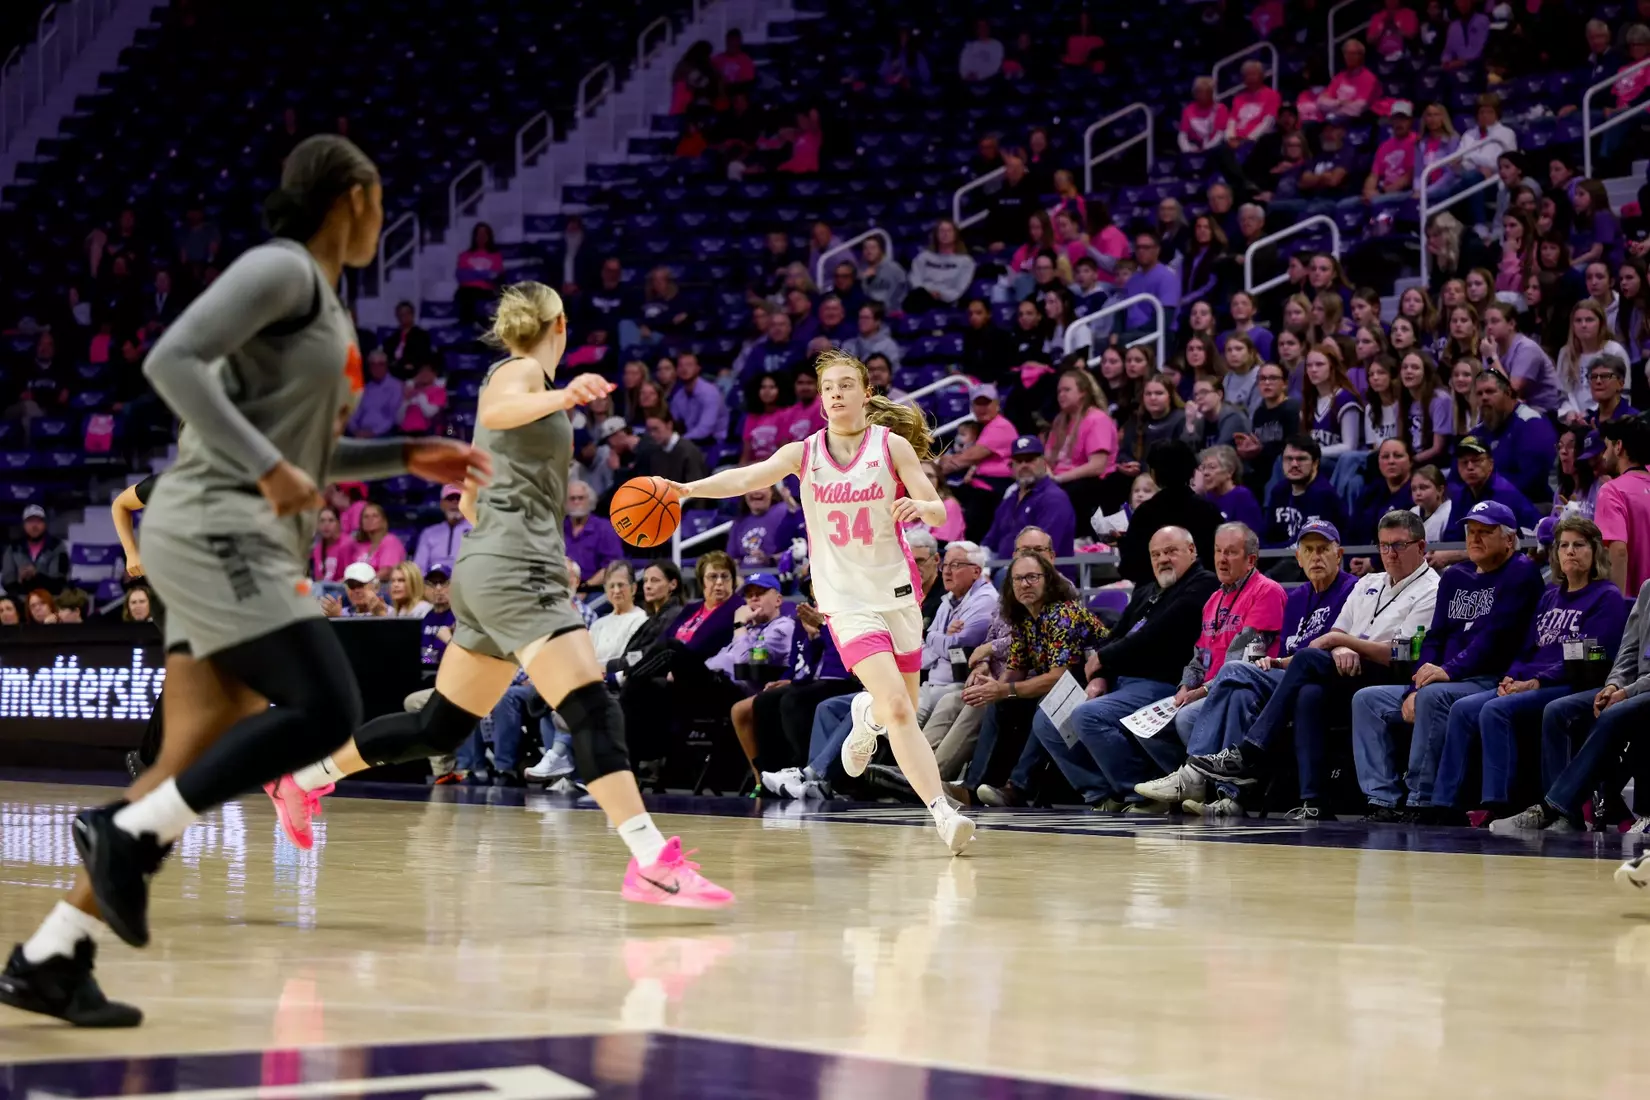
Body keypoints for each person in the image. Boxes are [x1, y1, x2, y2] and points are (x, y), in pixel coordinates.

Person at [0, 135, 491, 1027]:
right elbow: (171, 363)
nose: (383, 215)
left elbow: (313, 450)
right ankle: (119, 837)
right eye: (379, 197)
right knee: (328, 707)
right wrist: (266, 465)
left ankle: (50, 957)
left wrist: (403, 456)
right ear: (351, 196)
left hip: (243, 535)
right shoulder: (284, 270)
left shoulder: (328, 309)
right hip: (217, 527)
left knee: (182, 767)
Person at [669, 348, 977, 854]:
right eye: (827, 387)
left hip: (897, 592)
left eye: (845, 385)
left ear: (866, 394)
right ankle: (941, 813)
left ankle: (864, 718)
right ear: (821, 400)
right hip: (844, 598)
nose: (835, 393)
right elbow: (746, 477)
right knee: (900, 708)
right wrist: (686, 488)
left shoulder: (891, 446)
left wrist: (917, 504)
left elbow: (938, 511)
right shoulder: (804, 454)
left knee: (903, 704)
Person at [1349, 501, 1546, 821]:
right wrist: (1416, 683)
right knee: (1366, 700)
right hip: (1443, 678)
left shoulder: (1521, 573)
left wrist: (1445, 672)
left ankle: (1420, 799)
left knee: (1432, 696)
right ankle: (1381, 799)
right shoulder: (1455, 576)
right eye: (1472, 532)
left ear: (1509, 540)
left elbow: (1495, 639)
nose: (1476, 538)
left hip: (1489, 678)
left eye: (1486, 532)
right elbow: (1435, 637)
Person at [1430, 516, 1626, 824]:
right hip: (1531, 681)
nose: (1570, 552)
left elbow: (1594, 654)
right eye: (1563, 546)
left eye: (1579, 545)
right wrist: (1513, 675)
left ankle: (1499, 803)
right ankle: (1443, 804)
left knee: (1496, 710)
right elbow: (1526, 647)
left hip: (1569, 682)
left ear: (1595, 551)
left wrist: (1536, 680)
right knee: (1464, 708)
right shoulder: (1549, 595)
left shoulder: (1606, 597)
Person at [1024, 526, 1218, 809]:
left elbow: (1157, 633)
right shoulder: (1148, 588)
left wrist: (1104, 660)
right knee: (1048, 719)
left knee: (1088, 716)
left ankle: (1140, 791)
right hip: (1120, 681)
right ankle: (1101, 793)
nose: (1163, 559)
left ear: (1192, 551)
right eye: (1156, 554)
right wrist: (1101, 675)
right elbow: (1113, 635)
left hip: (1161, 683)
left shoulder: (1202, 584)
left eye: (1171, 551)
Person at [1496, 573, 1650, 837]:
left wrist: (1627, 691)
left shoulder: (1607, 595)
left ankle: (1553, 806)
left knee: (1616, 715)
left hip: (1641, 690)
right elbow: (1628, 650)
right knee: (1559, 710)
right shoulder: (1648, 588)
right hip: (1630, 688)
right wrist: (1612, 685)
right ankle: (1570, 817)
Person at [1116, 440, 1224, 585]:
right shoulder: (1209, 511)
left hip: (1155, 599)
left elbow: (1130, 568)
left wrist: (1123, 543)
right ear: (1192, 470)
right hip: (1203, 595)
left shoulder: (1145, 514)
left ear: (1153, 473)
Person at [916, 541, 997, 722]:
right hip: (930, 685)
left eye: (955, 565)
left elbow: (956, 646)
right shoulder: (948, 599)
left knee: (899, 720)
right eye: (945, 565)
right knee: (875, 712)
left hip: (956, 686)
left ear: (976, 571)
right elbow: (921, 656)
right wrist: (943, 639)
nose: (946, 571)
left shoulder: (985, 600)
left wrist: (929, 635)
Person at [1470, 367, 1559, 502]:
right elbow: (1456, 476)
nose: (1484, 398)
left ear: (1508, 393)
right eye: (1479, 393)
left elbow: (1531, 481)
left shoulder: (1532, 423)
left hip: (1533, 505)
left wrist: (1485, 486)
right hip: (1488, 503)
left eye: (1490, 391)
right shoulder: (1477, 433)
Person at [982, 436, 1076, 563]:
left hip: (1048, 576)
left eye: (1030, 460)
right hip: (1006, 572)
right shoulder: (1011, 498)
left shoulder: (1054, 498)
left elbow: (1041, 551)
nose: (1024, 465)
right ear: (1012, 465)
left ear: (1043, 462)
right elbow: (990, 541)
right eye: (1019, 461)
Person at [1596, 414, 1650, 595]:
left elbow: (1618, 551)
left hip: (1637, 610)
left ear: (1618, 446)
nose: (1604, 455)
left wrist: (1615, 605)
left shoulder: (1612, 491)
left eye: (1607, 447)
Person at [1262, 436, 1344, 549]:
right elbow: (1266, 537)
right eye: (1289, 459)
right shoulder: (1279, 491)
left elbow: (1308, 544)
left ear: (1315, 463)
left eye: (1301, 459)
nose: (1294, 464)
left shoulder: (1323, 496)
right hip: (1281, 560)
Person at [3, 504, 69, 597]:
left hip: (49, 599)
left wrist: (36, 575)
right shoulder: (13, 548)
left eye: (38, 521)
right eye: (30, 521)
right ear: (23, 525)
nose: (34, 526)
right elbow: (7, 581)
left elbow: (58, 583)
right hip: (20, 599)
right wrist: (19, 581)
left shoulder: (57, 547)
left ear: (45, 524)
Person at [1197, 445, 1265, 535]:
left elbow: (1251, 536)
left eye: (1212, 467)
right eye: (1203, 468)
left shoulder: (1242, 496)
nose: (1205, 473)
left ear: (1230, 471)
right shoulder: (1204, 498)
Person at [412, 484, 472, 577]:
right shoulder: (429, 533)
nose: (455, 502)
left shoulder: (477, 530)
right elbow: (419, 567)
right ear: (442, 504)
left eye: (458, 498)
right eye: (450, 498)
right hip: (434, 583)